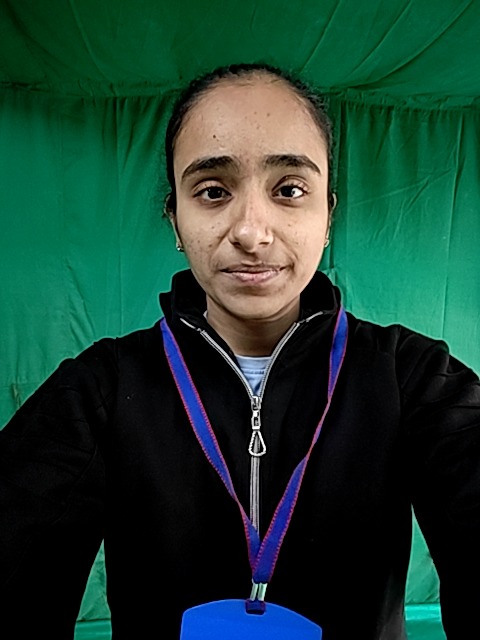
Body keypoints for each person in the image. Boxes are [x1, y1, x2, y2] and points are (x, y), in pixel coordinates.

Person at [1, 62, 479, 640]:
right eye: (212, 191)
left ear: (328, 216)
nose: (251, 232)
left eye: (289, 190)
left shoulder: (414, 377)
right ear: (175, 220)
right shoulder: (97, 391)